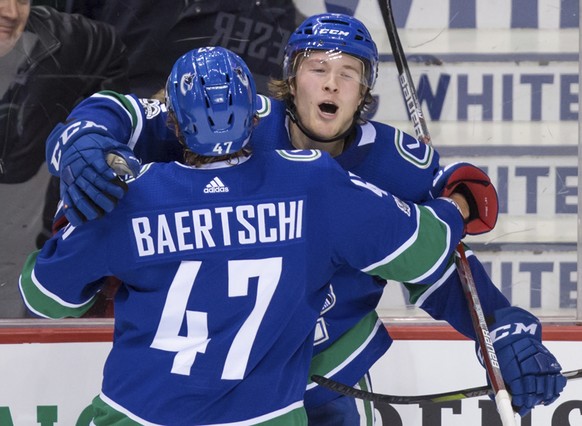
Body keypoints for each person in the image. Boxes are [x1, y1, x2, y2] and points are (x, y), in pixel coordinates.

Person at [44, 15, 567, 424]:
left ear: (365, 92)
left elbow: (437, 267)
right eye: (318, 69)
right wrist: (83, 136)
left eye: (348, 74)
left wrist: (499, 327)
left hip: (327, 372)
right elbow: (139, 113)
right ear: (291, 80)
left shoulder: (395, 165)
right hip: (231, 383)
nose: (332, 85)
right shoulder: (235, 119)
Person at [0, 1, 128, 316]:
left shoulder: (67, 39)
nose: (12, 12)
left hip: (22, 258)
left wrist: (81, 132)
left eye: (22, 0)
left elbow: (124, 68)